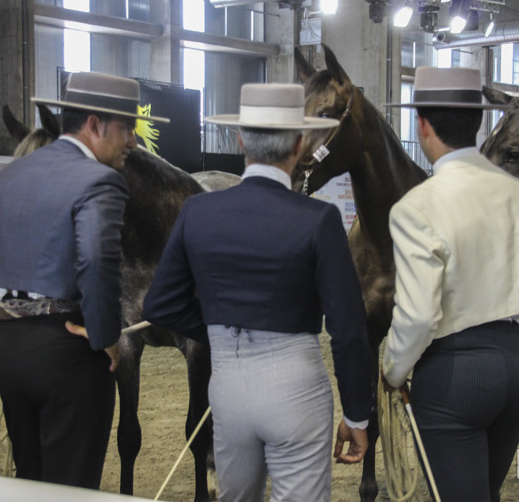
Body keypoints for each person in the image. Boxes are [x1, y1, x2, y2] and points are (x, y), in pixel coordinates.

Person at [142, 83, 373, 502]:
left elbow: (159, 304)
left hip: (228, 386)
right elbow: (348, 327)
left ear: (240, 139)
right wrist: (357, 413)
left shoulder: (198, 211)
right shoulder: (320, 219)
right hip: (295, 384)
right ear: (301, 144)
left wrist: (215, 325)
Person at [0, 72, 168, 489]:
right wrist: (107, 338)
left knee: (31, 483)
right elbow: (97, 260)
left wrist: (8, 333)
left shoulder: (8, 177)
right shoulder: (101, 180)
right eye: (127, 129)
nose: (134, 142)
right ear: (95, 125)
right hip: (72, 354)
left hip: (12, 354)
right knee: (73, 489)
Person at [382, 67, 519, 502]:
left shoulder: (416, 206)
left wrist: (393, 370)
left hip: (453, 375)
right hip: (515, 363)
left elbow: (419, 315)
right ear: (478, 124)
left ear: (422, 126)